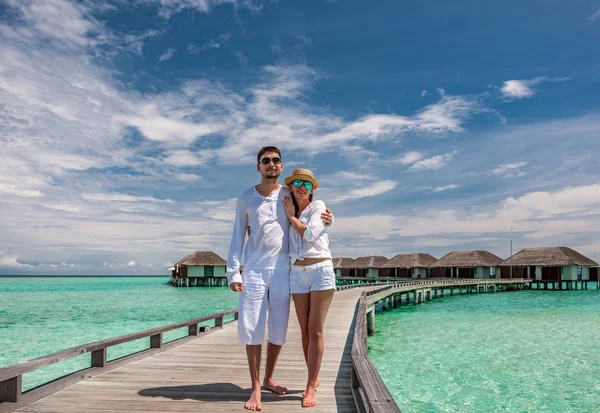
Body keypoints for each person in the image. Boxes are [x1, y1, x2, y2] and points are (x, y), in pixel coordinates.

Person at [226, 146, 333, 411]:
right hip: (253, 270)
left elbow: (312, 213)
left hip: (286, 272)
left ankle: (269, 378)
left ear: (281, 166)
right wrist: (233, 271)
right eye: (266, 161)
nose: (271, 164)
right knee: (252, 328)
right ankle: (254, 389)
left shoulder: (290, 194)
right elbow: (238, 234)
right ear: (258, 167)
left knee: (278, 329)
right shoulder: (246, 198)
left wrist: (328, 219)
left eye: (275, 160)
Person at [282, 168, 335, 408]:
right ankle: (313, 377)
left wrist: (293, 217)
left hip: (320, 271)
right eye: (298, 183)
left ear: (312, 188)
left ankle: (310, 386)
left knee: (315, 329)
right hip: (297, 273)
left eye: (307, 183)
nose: (302, 187)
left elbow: (312, 235)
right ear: (291, 186)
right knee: (303, 330)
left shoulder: (317, 206)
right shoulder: (285, 205)